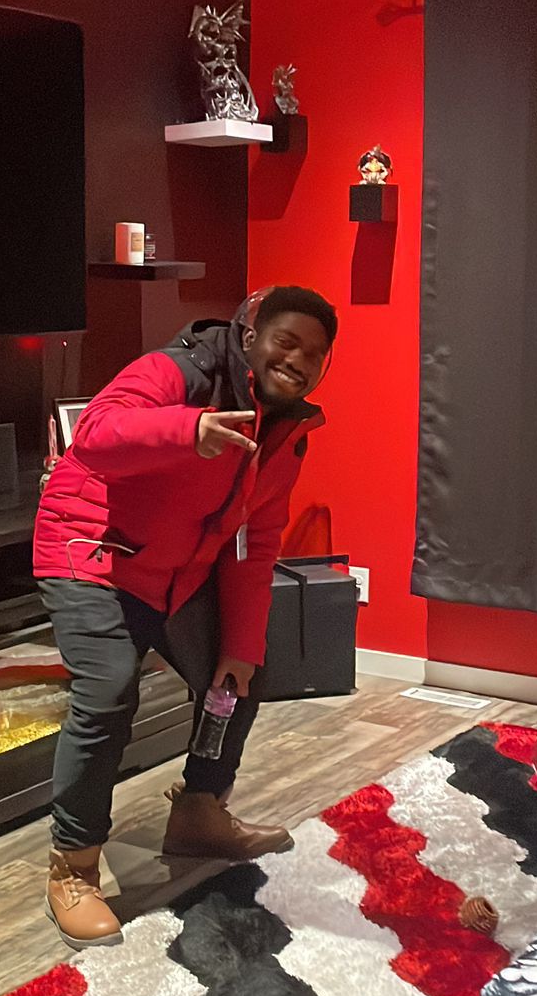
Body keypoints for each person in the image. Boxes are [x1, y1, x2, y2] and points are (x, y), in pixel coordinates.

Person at [34, 282, 338, 946]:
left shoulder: (286, 431)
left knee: (244, 669)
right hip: (92, 552)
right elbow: (94, 435)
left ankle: (200, 810)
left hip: (178, 573)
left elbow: (254, 543)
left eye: (314, 354)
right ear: (251, 336)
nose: (297, 360)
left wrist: (241, 645)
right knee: (108, 689)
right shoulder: (177, 372)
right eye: (286, 341)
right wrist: (186, 431)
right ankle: (73, 866)